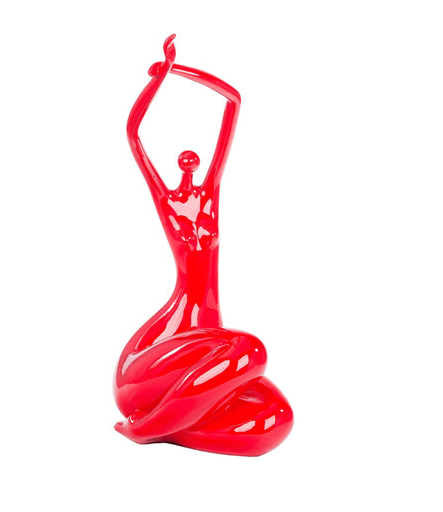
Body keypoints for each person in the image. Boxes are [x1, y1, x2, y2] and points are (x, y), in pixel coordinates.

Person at [114, 35, 292, 456]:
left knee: (277, 417)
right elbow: (134, 134)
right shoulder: (168, 201)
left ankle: (173, 427)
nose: (190, 162)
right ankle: (147, 427)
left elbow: (232, 103)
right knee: (251, 351)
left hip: (207, 343)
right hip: (158, 355)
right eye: (184, 160)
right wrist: (158, 81)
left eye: (195, 160)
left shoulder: (210, 195)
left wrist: (180, 71)